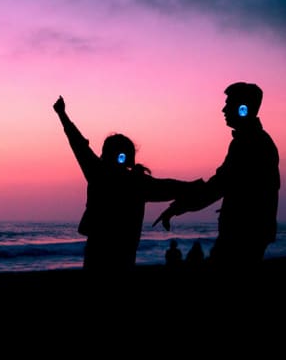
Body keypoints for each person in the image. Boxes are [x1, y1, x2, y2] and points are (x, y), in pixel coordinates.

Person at [53, 95, 203, 274]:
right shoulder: (114, 177)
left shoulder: (125, 179)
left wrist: (62, 114)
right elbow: (78, 144)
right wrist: (62, 115)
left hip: (110, 253)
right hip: (113, 253)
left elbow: (170, 187)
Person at [154, 82, 280, 270]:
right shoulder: (251, 140)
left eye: (229, 104)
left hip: (243, 234)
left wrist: (179, 206)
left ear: (242, 109)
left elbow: (219, 185)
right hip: (250, 232)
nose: (223, 109)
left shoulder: (250, 143)